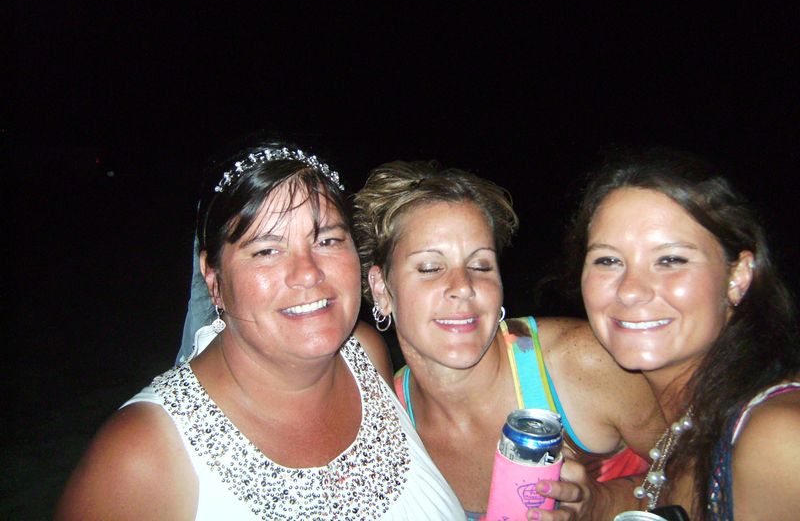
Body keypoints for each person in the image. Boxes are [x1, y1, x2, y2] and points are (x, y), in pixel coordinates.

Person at [56, 141, 465, 520]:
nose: (308, 272)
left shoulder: (365, 352)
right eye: (267, 250)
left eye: (326, 240)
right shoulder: (142, 455)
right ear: (213, 278)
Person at [351, 161, 667, 521]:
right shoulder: (389, 420)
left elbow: (707, 471)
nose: (463, 287)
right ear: (382, 289)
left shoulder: (580, 361)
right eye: (430, 268)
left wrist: (603, 502)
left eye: (481, 265)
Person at [570, 149, 800, 520]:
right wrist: (596, 502)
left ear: (738, 277)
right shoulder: (690, 420)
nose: (630, 290)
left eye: (671, 260)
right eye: (608, 260)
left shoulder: (779, 435)